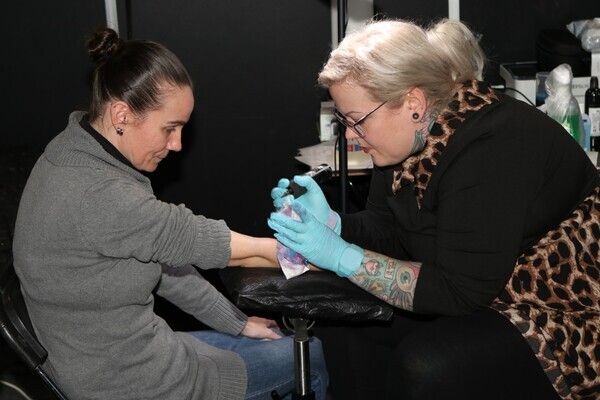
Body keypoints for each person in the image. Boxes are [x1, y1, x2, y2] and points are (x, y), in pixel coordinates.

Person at [268, 18, 599, 400]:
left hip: (562, 310)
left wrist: (342, 257)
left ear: (413, 103)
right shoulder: (402, 144)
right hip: (485, 286)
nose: (350, 136)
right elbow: (389, 229)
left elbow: (458, 291)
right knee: (344, 320)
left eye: (356, 121)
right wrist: (334, 224)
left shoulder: (491, 145)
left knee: (427, 365)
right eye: (343, 120)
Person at [12, 27, 328, 400]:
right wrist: (315, 254)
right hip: (131, 384)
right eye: (169, 129)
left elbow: (164, 264)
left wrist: (238, 324)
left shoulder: (74, 149)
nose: (177, 145)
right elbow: (205, 241)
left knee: (275, 342)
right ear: (121, 114)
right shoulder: (99, 193)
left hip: (115, 359)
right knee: (312, 355)